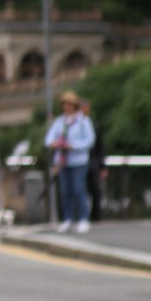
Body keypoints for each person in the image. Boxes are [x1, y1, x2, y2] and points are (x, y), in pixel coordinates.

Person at [44, 90, 95, 233]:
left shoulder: (83, 120)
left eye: (70, 104)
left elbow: (90, 140)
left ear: (74, 105)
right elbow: (48, 139)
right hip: (62, 161)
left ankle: (83, 218)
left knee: (78, 189)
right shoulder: (59, 122)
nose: (67, 107)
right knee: (65, 191)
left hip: (78, 160)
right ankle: (67, 219)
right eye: (65, 104)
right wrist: (55, 144)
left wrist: (73, 146)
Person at [84, 98, 106, 223]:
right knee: (81, 190)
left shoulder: (94, 124)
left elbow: (101, 146)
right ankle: (83, 216)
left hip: (94, 161)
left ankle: (96, 216)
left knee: (96, 190)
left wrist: (103, 166)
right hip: (80, 162)